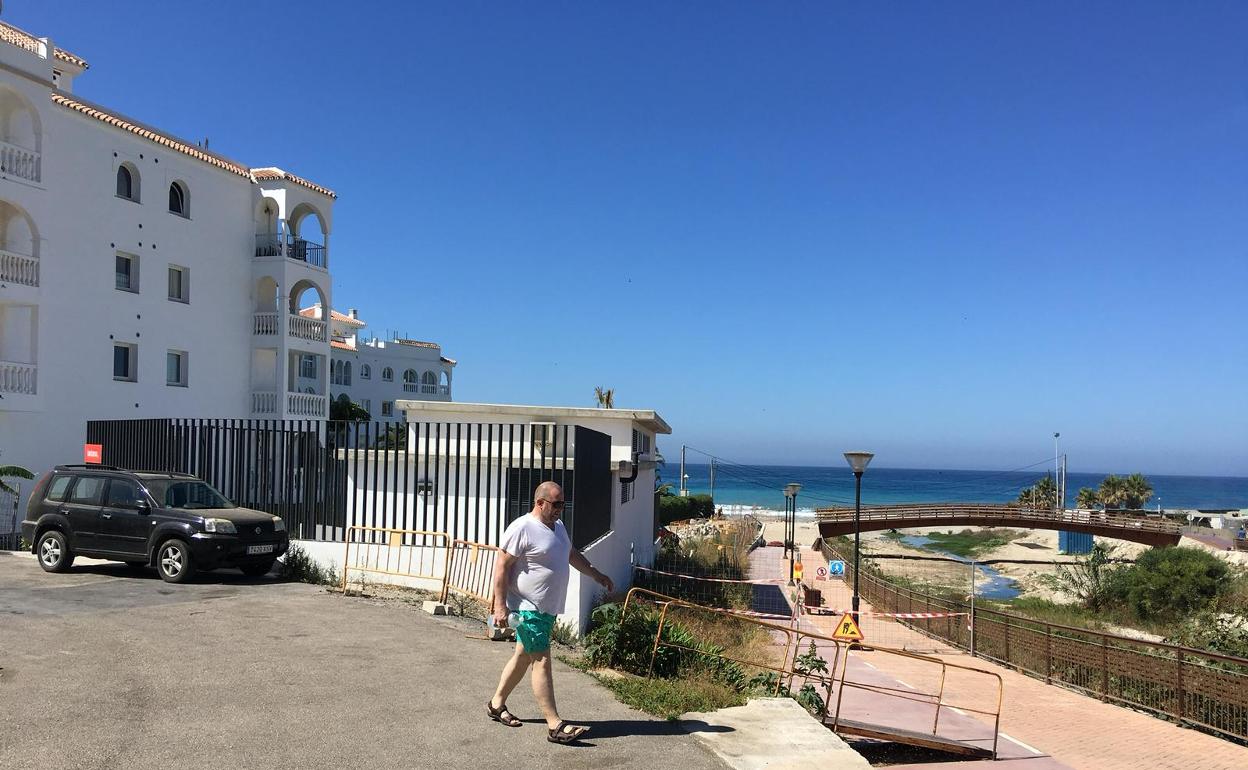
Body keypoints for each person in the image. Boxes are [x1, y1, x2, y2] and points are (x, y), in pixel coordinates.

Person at [486, 481, 614, 744]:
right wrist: (500, 605)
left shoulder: (559, 527)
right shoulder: (522, 527)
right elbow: (501, 566)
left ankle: (496, 704)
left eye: (562, 504)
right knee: (541, 660)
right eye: (555, 504)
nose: (560, 509)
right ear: (540, 502)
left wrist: (596, 574)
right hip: (527, 607)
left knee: (523, 657)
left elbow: (571, 554)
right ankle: (555, 725)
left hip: (546, 609)